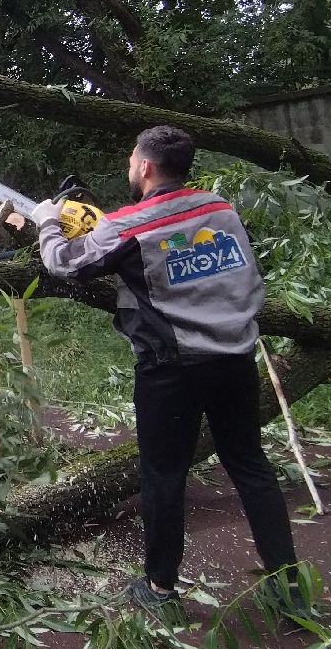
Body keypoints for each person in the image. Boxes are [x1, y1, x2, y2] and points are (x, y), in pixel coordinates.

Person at [16, 126, 303, 613]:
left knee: (165, 474)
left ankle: (161, 587)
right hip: (236, 356)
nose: (131, 167)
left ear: (145, 166)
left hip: (171, 368)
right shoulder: (221, 210)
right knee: (250, 466)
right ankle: (290, 587)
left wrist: (46, 219)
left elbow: (63, 264)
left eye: (132, 160)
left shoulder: (129, 224)